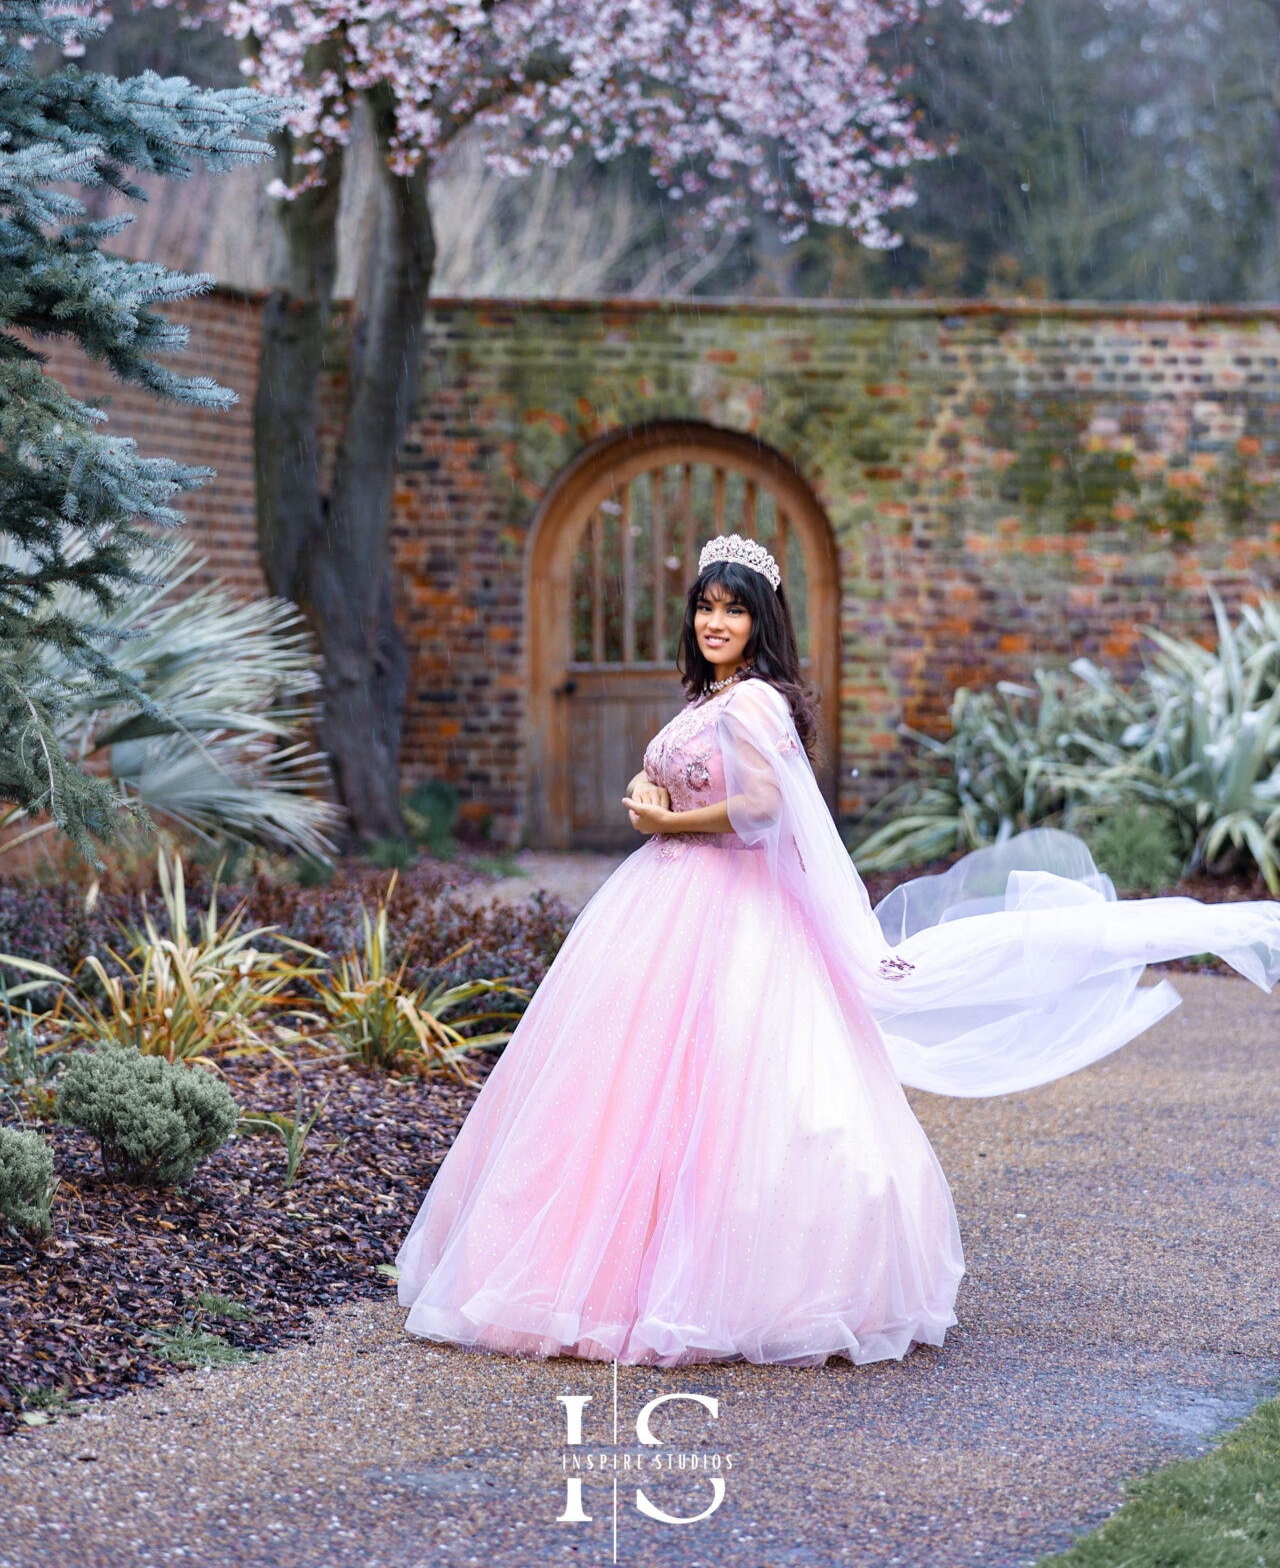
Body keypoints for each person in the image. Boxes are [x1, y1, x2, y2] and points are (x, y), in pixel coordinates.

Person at [396, 534, 1280, 1368]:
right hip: (666, 903)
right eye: (705, 608)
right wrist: (646, 782)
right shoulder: (714, 696)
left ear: (760, 623)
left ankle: (733, 1280)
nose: (715, 624)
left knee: (734, 1091)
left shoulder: (751, 699)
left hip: (722, 905)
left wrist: (669, 818)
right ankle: (624, 1265)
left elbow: (763, 810)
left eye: (733, 613)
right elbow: (690, 769)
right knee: (636, 1090)